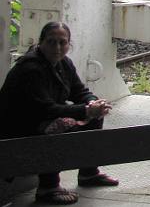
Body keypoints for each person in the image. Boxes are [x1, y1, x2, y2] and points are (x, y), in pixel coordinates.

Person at [0, 22, 118, 205]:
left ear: (69, 44)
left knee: (95, 115)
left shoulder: (64, 63)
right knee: (61, 124)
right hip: (19, 130)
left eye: (62, 43)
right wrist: (85, 110)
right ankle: (48, 187)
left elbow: (79, 91)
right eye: (51, 42)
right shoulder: (30, 69)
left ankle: (89, 172)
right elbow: (45, 110)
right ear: (41, 43)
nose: (57, 48)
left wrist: (92, 102)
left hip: (41, 120)